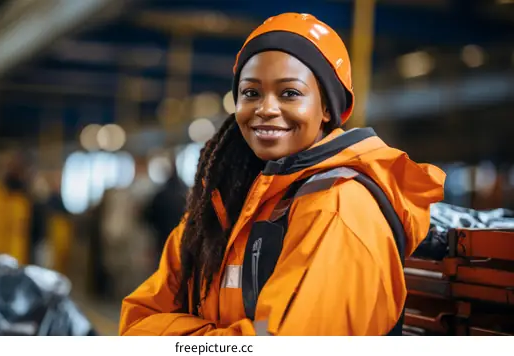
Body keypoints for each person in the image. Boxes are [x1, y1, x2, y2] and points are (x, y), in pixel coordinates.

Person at [119, 13, 446, 336]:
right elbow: (136, 323)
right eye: (251, 93)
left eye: (289, 93)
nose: (266, 108)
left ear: (329, 109)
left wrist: (182, 336)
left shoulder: (339, 210)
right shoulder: (224, 209)